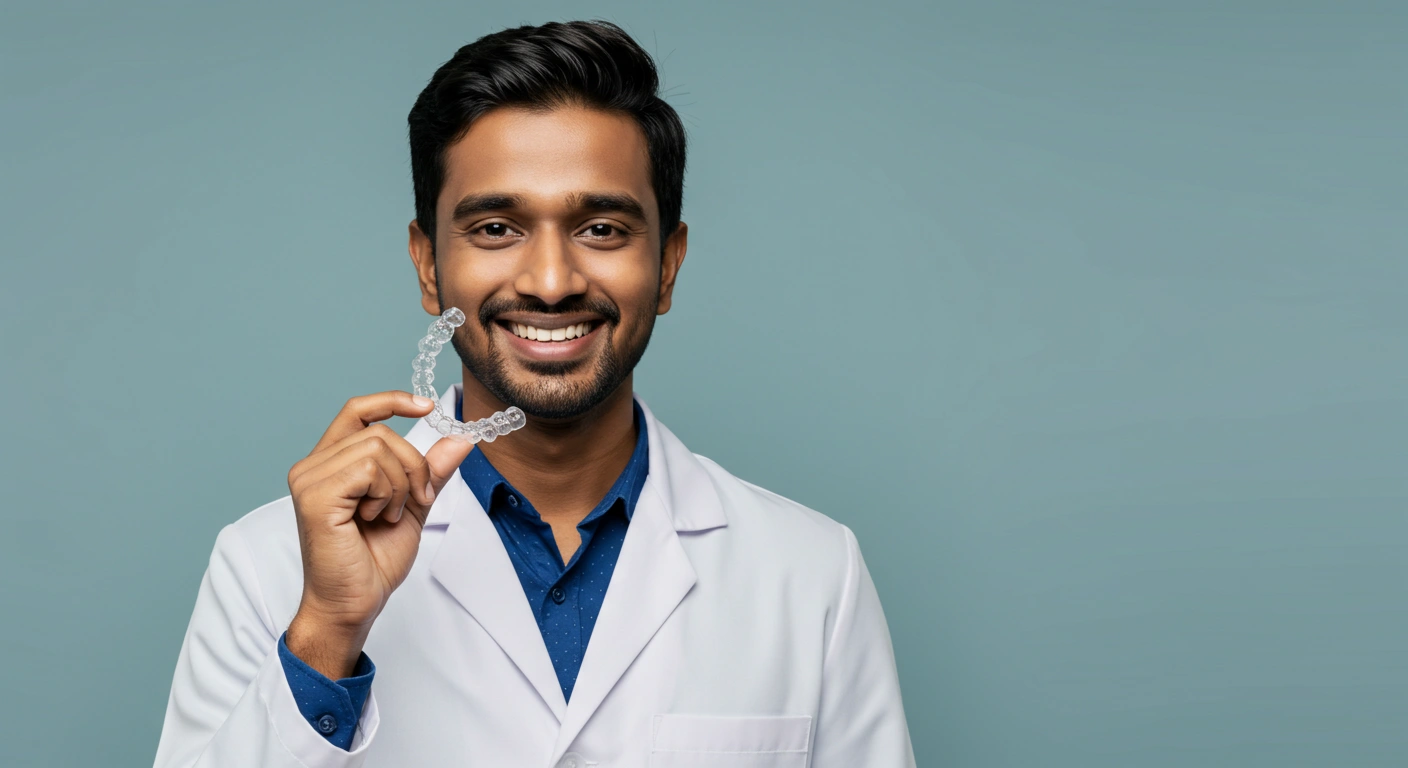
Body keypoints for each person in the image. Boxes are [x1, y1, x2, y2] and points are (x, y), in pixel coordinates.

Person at [153, 19, 915, 768]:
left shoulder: (812, 571)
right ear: (428, 266)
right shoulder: (268, 566)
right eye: (494, 228)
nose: (551, 282)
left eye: (603, 229)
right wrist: (326, 632)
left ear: (669, 264)